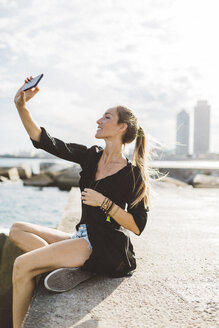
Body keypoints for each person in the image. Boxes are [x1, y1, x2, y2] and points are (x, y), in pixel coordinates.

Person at [10, 76, 150, 328]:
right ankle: (71, 266)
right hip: (82, 235)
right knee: (17, 229)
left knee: (22, 265)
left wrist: (105, 203)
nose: (98, 120)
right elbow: (44, 140)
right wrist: (21, 106)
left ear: (121, 127)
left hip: (102, 244)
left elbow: (137, 226)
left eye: (106, 117)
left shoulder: (133, 175)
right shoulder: (90, 156)